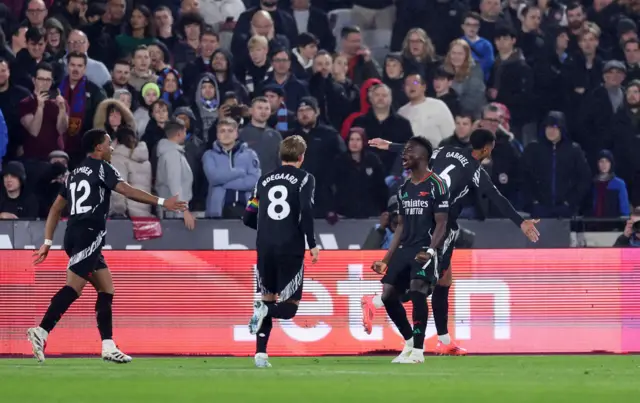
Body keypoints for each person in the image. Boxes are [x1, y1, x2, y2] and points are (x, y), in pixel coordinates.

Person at [364, 129, 541, 356]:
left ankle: (445, 340)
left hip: (418, 213)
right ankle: (375, 302)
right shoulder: (475, 170)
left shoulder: (445, 151)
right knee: (427, 281)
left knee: (444, 281)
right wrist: (521, 222)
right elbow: (496, 197)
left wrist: (389, 144)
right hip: (439, 225)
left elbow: (418, 153)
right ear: (486, 149)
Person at [27, 128, 188, 364]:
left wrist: (48, 241)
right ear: (99, 147)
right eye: (109, 143)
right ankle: (41, 331)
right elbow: (126, 190)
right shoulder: (103, 168)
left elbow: (55, 208)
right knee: (74, 287)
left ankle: (108, 345)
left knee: (107, 288)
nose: (112, 148)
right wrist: (163, 202)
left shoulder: (74, 173)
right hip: (89, 234)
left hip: (74, 234)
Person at [369, 136, 450, 364]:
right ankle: (409, 342)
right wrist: (386, 259)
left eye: (409, 152)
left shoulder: (437, 184)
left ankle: (418, 352)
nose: (404, 156)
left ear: (423, 156)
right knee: (387, 295)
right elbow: (400, 226)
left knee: (417, 291)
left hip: (426, 248)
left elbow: (442, 223)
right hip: (406, 248)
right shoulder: (404, 188)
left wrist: (432, 251)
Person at [244, 135, 319, 369]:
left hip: (264, 247)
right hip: (290, 247)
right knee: (288, 308)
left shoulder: (263, 180)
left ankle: (260, 355)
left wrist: (269, 225)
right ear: (302, 157)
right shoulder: (305, 178)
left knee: (267, 296)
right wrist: (312, 242)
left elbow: (248, 216)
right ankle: (265, 310)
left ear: (280, 155)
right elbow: (306, 210)